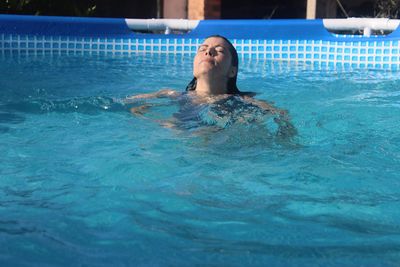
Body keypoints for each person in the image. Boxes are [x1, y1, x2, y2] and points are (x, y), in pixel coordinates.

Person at [126, 35, 296, 137]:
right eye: (203, 49)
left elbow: (280, 114)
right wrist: (143, 115)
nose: (208, 52)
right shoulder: (171, 94)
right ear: (194, 66)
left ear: (232, 71)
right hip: (181, 136)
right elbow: (126, 103)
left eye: (219, 50)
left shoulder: (241, 99)